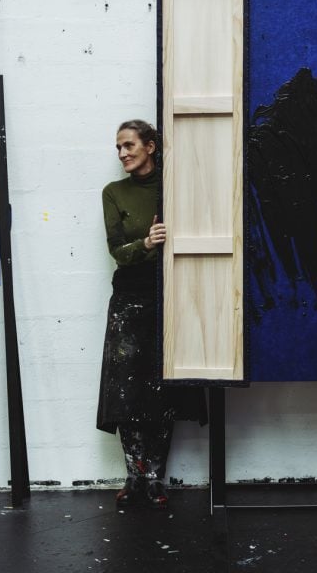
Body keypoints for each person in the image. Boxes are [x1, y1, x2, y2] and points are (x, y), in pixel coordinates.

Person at [97, 119, 206, 509]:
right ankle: (133, 475)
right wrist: (146, 242)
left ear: (151, 146)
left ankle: (155, 479)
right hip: (129, 297)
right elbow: (117, 250)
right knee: (126, 390)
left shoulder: (172, 189)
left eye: (129, 145)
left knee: (162, 390)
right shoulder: (114, 192)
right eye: (119, 148)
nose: (123, 153)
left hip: (169, 295)